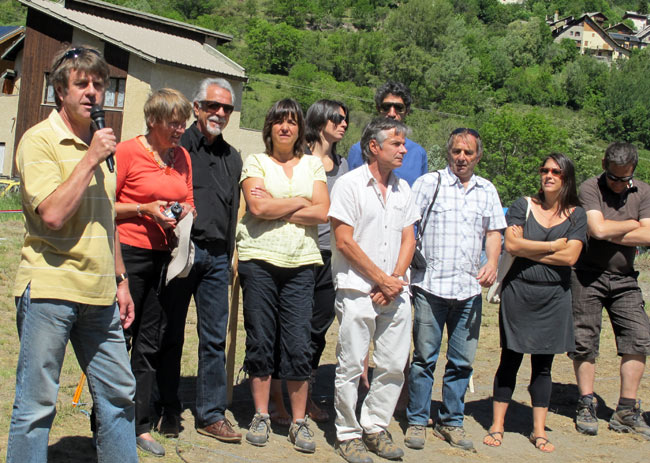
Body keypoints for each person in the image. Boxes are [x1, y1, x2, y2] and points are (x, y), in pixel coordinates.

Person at [7, 45, 137, 462]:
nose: (93, 92)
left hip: (100, 295)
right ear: (60, 90)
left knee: (119, 396)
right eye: (82, 84)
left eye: (99, 84)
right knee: (37, 405)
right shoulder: (39, 140)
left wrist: (121, 280)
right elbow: (54, 214)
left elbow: (107, 220)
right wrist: (90, 159)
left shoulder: (100, 145)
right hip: (50, 290)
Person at [404, 128, 506, 452]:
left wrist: (492, 262)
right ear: (449, 152)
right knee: (423, 359)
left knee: (462, 362)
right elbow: (407, 225)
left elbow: (493, 232)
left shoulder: (487, 190)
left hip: (468, 290)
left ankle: (452, 422)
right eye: (457, 151)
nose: (462, 157)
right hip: (429, 286)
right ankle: (418, 421)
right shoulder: (428, 183)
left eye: (469, 152)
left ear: (478, 156)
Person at [236, 99, 329, 453]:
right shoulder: (255, 161)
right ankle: (260, 413)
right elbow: (257, 207)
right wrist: (300, 202)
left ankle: (298, 421)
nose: (285, 128)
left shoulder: (313, 165)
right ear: (269, 128)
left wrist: (279, 203)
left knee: (298, 343)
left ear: (300, 128)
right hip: (259, 260)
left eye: (292, 122)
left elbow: (322, 212)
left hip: (301, 263)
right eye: (279, 122)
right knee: (260, 338)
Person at [155, 78, 243, 443]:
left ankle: (210, 414)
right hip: (180, 253)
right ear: (197, 107)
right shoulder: (178, 150)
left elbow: (233, 210)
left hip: (218, 258)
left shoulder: (233, 157)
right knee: (169, 332)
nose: (219, 113)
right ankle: (167, 407)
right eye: (212, 106)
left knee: (213, 339)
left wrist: (231, 254)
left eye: (226, 108)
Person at [483, 153, 587, 453]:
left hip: (555, 296)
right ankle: (497, 424)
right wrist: (554, 244)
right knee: (510, 359)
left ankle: (538, 430)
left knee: (543, 366)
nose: (548, 175)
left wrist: (532, 249)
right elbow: (512, 245)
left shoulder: (577, 215)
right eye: (544, 170)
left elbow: (571, 257)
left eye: (556, 171)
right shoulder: (522, 205)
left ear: (567, 177)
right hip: (519, 292)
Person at [330, 117, 419, 463]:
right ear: (373, 147)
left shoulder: (403, 188)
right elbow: (344, 242)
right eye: (396, 144)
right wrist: (381, 279)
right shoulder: (349, 185)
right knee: (351, 364)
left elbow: (409, 238)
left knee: (394, 364)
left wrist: (393, 280)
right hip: (357, 289)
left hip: (395, 291)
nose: (403, 149)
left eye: (403, 144)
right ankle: (348, 433)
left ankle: (375, 426)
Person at [114, 88, 194, 456]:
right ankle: (108, 421)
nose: (180, 129)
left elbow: (189, 200)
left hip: (166, 257)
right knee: (118, 340)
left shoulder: (183, 158)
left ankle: (140, 424)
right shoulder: (127, 152)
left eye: (183, 122)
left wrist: (182, 214)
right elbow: (106, 206)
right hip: (128, 254)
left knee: (149, 344)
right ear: (152, 120)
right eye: (173, 122)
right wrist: (144, 209)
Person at [268, 99, 350, 426]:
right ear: (319, 121)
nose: (344, 124)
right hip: (298, 250)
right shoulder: (297, 160)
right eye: (337, 118)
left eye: (346, 119)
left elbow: (335, 211)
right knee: (284, 325)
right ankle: (275, 401)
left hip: (332, 254)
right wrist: (303, 208)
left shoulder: (344, 166)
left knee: (317, 330)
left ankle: (305, 393)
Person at [570, 142, 650, 440]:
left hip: (625, 277)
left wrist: (612, 226)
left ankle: (626, 409)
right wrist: (631, 225)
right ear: (604, 164)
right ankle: (586, 402)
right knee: (584, 340)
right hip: (587, 275)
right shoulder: (590, 188)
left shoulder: (643, 191)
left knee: (639, 337)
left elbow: (648, 233)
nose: (618, 184)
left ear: (633, 171)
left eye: (624, 178)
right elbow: (596, 231)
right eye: (613, 177)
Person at [347, 81, 427, 186]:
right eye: (386, 107)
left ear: (407, 111)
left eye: (399, 108)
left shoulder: (418, 154)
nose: (392, 113)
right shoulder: (359, 150)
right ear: (378, 109)